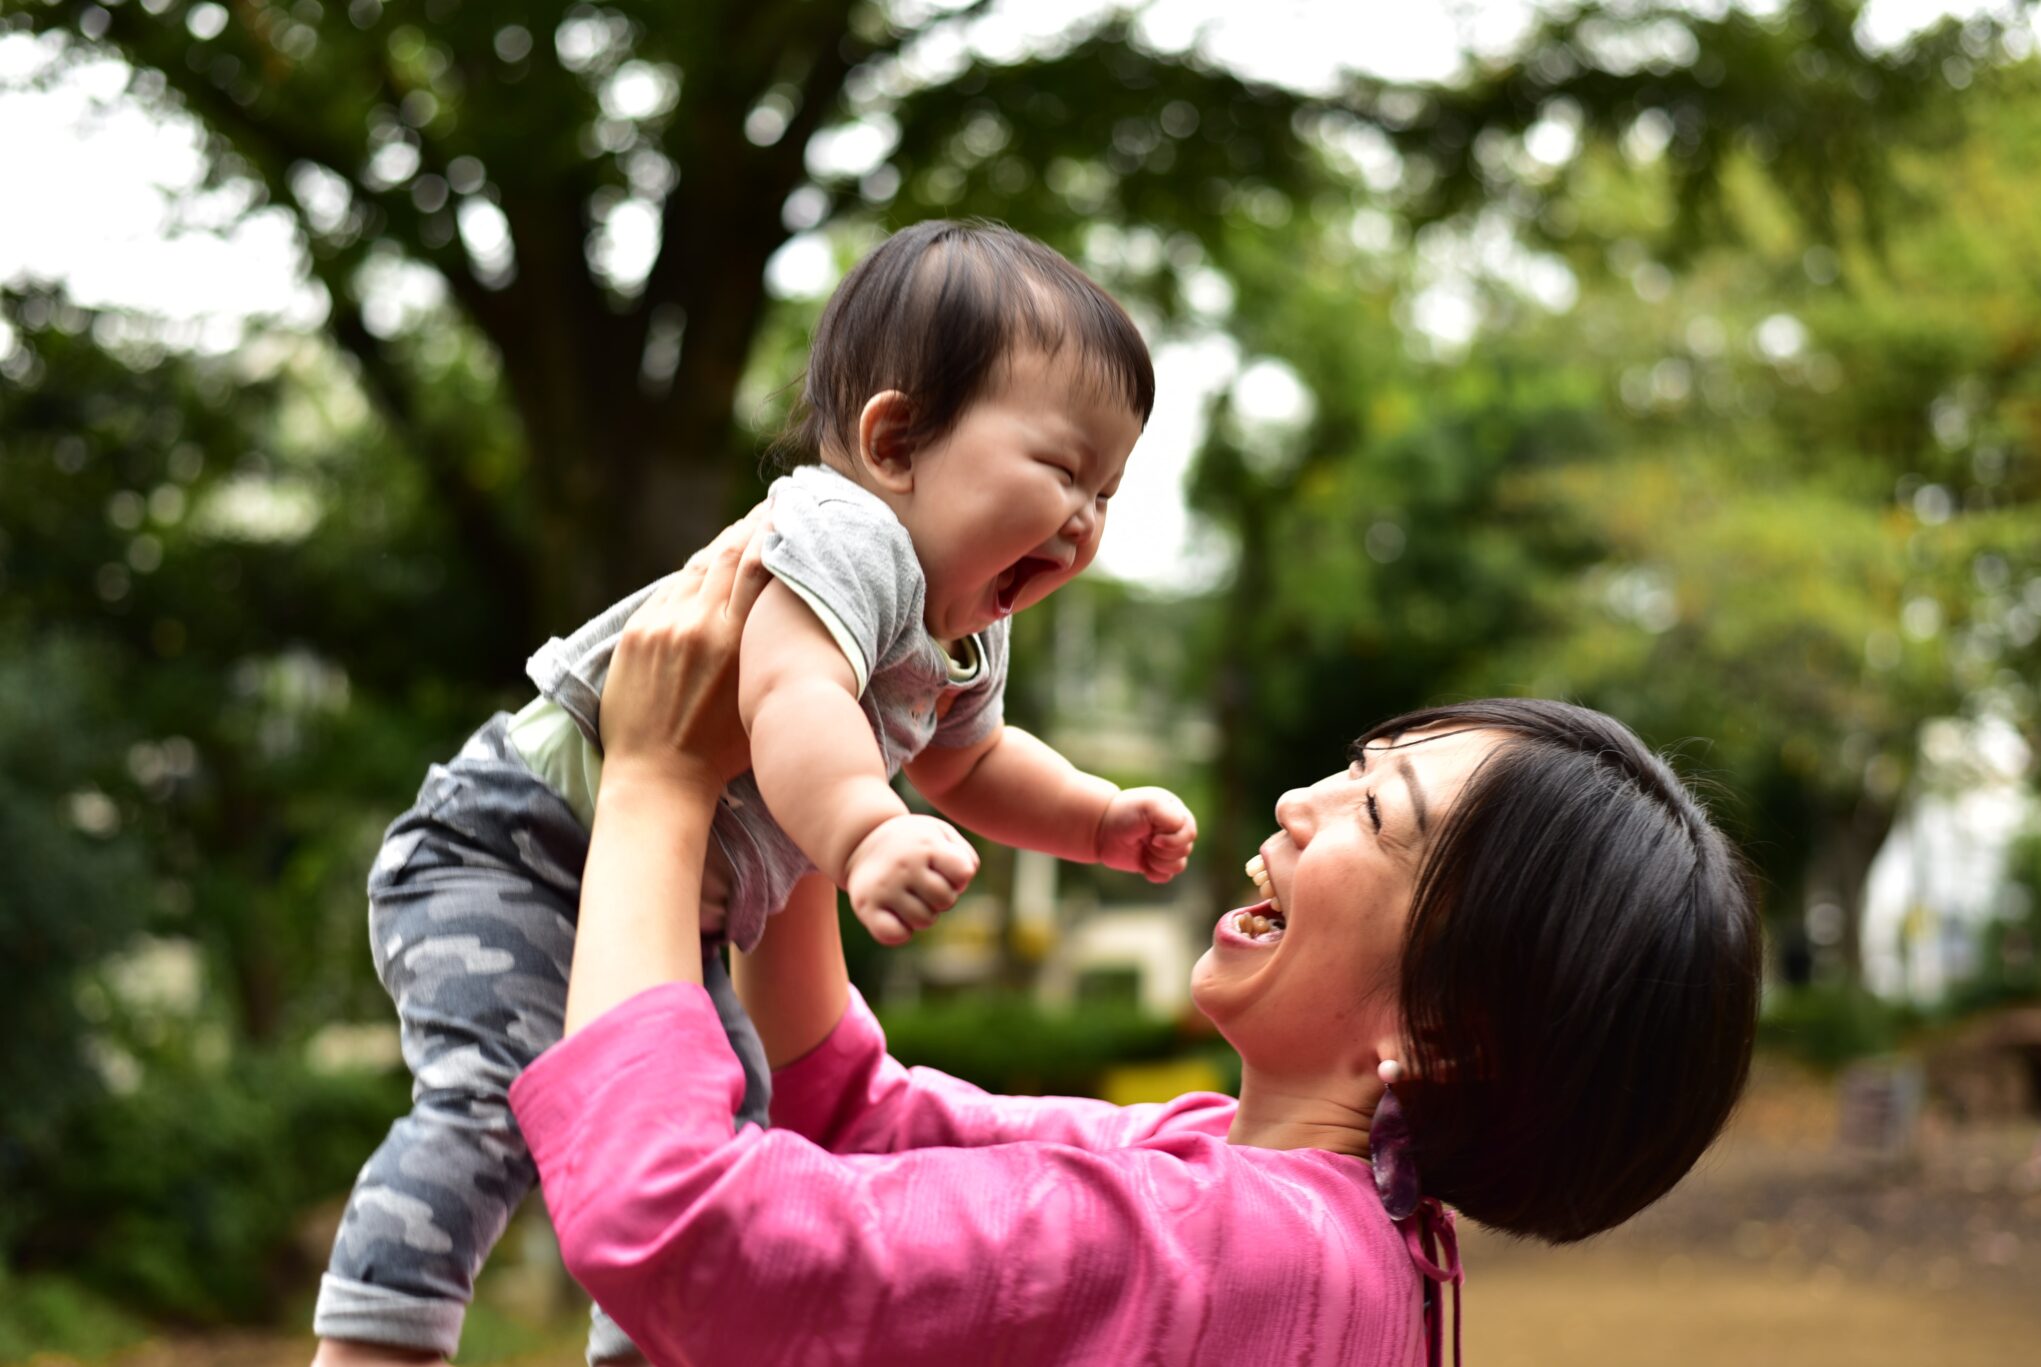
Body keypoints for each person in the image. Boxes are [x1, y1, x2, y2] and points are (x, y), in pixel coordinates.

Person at [505, 515, 1765, 1366]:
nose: (1300, 798)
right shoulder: (1294, 1205)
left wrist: (660, 788)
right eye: (1355, 767)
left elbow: (675, 1226)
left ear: (1439, 1032)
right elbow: (854, 1112)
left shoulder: (1229, 1238)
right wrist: (822, 789)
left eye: (1377, 813)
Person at [314, 221, 1198, 1365]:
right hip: (513, 848)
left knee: (710, 1141)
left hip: (665, 903)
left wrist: (1092, 815)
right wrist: (868, 831)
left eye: (1108, 490)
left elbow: (969, 763)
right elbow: (794, 703)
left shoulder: (966, 623)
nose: (1085, 519)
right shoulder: (844, 536)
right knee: (491, 1103)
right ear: (894, 440)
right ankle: (376, 1343)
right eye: (1063, 469)